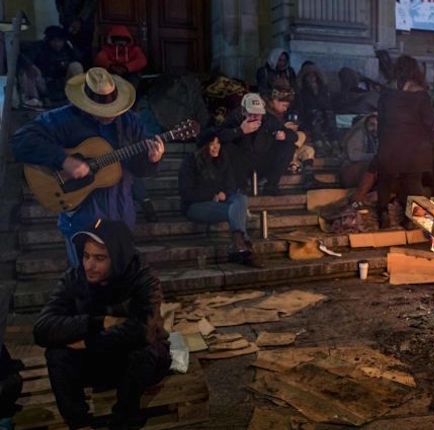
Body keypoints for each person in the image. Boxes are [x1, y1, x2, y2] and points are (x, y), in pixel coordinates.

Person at [12, 67, 166, 268]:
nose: (109, 115)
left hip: (121, 213)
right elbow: (22, 140)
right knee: (87, 280)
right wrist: (63, 160)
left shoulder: (130, 123)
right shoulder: (63, 119)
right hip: (81, 214)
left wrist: (152, 159)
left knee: (121, 277)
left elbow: (139, 169)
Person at [33, 219, 170, 429]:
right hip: (97, 363)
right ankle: (79, 423)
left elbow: (143, 330)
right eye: (86, 256)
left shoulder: (143, 278)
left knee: (146, 350)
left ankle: (124, 419)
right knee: (56, 353)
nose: (89, 265)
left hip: (132, 366)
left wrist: (90, 342)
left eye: (99, 258)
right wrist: (97, 322)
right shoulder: (74, 278)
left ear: (117, 258)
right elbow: (42, 328)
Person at [178, 130, 261, 267]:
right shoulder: (190, 163)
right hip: (196, 205)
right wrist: (212, 195)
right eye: (212, 143)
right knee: (236, 210)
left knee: (240, 199)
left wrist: (224, 193)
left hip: (222, 200)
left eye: (218, 143)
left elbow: (230, 184)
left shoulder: (222, 158)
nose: (216, 147)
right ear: (204, 146)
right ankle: (243, 245)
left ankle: (239, 245)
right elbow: (186, 192)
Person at [375, 54, 434, 229]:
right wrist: (432, 142)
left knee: (385, 179)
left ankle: (383, 214)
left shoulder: (387, 92)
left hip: (390, 143)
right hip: (415, 147)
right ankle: (412, 219)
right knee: (412, 182)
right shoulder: (421, 95)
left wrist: (381, 141)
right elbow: (429, 122)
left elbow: (381, 119)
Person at [217, 88, 298, 196]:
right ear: (243, 112)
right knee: (227, 148)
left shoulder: (268, 120)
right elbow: (219, 136)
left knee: (288, 146)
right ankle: (239, 186)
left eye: (258, 114)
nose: (255, 117)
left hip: (263, 157)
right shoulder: (234, 117)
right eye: (251, 114)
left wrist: (284, 135)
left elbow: (293, 136)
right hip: (240, 160)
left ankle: (271, 185)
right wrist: (240, 131)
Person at [18, 25, 84, 108]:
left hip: (62, 84)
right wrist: (30, 66)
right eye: (54, 41)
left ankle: (78, 99)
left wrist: (71, 46)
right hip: (44, 84)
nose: (57, 44)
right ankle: (33, 100)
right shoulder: (40, 47)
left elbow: (80, 58)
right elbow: (22, 56)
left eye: (60, 41)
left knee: (76, 66)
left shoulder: (67, 49)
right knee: (27, 70)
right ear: (48, 40)